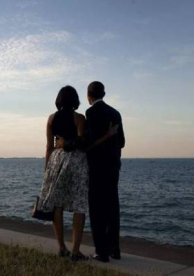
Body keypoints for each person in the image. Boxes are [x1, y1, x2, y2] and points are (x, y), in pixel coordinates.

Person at [32, 86, 90, 262]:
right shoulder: (79, 117)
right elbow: (82, 141)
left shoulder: (51, 118)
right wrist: (67, 143)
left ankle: (61, 247)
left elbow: (49, 146)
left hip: (56, 160)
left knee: (57, 204)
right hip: (76, 161)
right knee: (79, 204)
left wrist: (46, 169)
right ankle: (76, 250)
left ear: (59, 100)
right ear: (75, 100)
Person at [86, 81, 125, 263]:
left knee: (96, 208)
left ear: (89, 96)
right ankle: (114, 249)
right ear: (104, 94)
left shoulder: (91, 113)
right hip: (113, 166)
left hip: (96, 167)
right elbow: (122, 142)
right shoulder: (115, 113)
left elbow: (89, 142)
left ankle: (101, 252)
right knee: (112, 206)